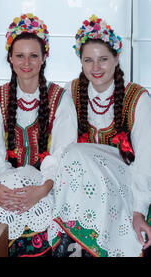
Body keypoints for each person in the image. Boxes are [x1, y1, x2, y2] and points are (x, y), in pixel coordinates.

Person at [50, 15, 151, 257]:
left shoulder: (137, 98)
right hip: (82, 183)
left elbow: (145, 161)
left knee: (76, 153)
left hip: (124, 181)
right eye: (88, 60)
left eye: (103, 59)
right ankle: (75, 242)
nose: (96, 68)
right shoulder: (71, 92)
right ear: (81, 62)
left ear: (117, 58)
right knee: (71, 154)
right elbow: (60, 150)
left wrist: (139, 210)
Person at [0, 13, 78, 257]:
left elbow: (61, 156)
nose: (27, 62)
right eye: (20, 55)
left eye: (34, 55)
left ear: (44, 58)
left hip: (50, 186)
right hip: (6, 185)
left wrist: (42, 189)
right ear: (10, 59)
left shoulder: (60, 99)